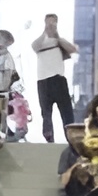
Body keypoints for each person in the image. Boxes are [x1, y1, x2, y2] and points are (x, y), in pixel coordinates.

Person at [32, 13, 76, 143]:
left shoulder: (59, 41)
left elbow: (72, 49)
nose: (51, 25)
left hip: (58, 79)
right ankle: (49, 138)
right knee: (46, 113)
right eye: (48, 22)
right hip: (43, 80)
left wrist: (56, 35)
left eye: (53, 22)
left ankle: (71, 138)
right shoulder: (39, 41)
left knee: (66, 111)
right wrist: (45, 32)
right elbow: (34, 46)